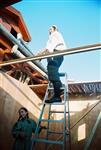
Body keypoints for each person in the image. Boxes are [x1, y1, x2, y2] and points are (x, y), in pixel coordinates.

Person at [37, 25, 66, 103]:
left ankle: (57, 96)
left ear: (55, 29)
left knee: (52, 74)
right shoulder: (53, 36)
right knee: (52, 74)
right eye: (49, 29)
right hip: (56, 55)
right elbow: (48, 48)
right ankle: (59, 88)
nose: (49, 30)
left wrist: (41, 54)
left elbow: (50, 47)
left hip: (56, 54)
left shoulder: (55, 34)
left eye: (50, 29)